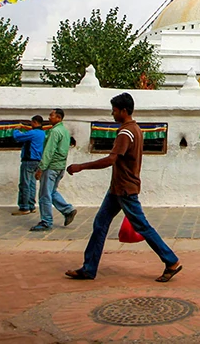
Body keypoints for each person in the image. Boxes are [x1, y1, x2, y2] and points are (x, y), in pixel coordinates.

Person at [64, 93, 182, 282]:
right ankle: (89, 268)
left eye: (115, 110)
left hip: (124, 189)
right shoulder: (135, 129)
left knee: (142, 226)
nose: (112, 114)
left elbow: (111, 159)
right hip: (118, 188)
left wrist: (81, 166)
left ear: (123, 111)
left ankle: (171, 261)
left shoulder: (126, 132)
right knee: (100, 224)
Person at [31, 108, 77, 232]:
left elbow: (49, 151)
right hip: (60, 166)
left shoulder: (55, 132)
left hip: (51, 167)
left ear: (58, 118)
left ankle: (46, 221)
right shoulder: (64, 131)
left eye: (51, 115)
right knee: (52, 192)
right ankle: (68, 210)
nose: (49, 117)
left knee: (45, 195)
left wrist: (41, 168)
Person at [11, 115, 47, 216]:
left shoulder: (33, 133)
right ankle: (31, 206)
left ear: (35, 122)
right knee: (32, 184)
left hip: (29, 160)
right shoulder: (42, 133)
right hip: (37, 160)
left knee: (25, 184)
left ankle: (24, 207)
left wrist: (16, 129)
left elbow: (18, 137)